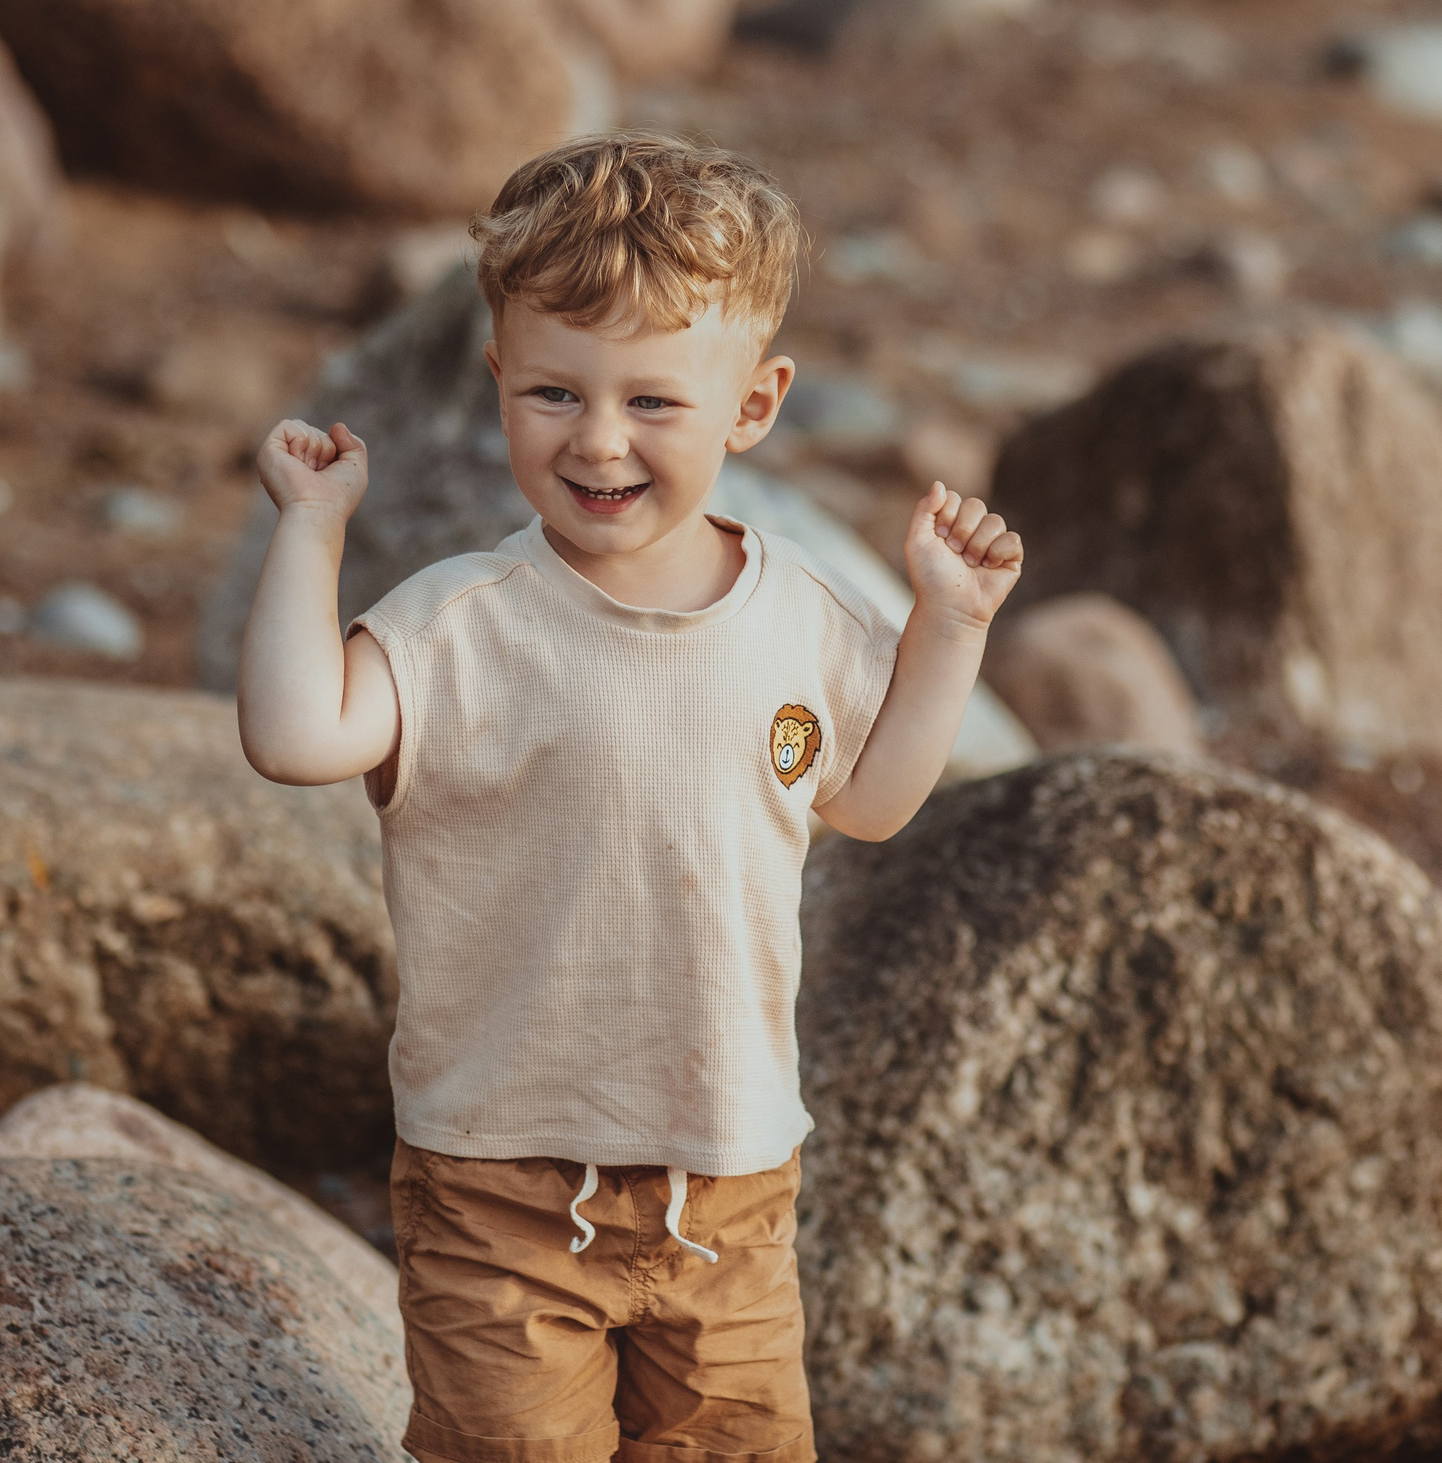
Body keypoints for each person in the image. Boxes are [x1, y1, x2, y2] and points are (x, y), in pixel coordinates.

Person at [233, 131, 1025, 1463]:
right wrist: (310, 532)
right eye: (553, 393)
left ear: (754, 406)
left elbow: (877, 801)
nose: (598, 440)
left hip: (733, 1185)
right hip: (497, 1188)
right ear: (497, 383)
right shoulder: (456, 625)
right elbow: (294, 735)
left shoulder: (801, 623)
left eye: (654, 402)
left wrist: (951, 627)